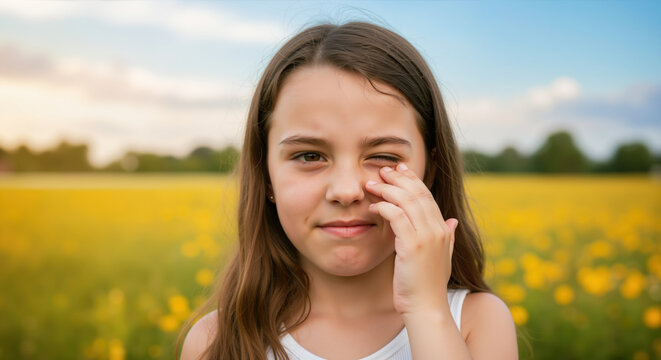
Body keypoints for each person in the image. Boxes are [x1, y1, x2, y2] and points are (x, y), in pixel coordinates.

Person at [180, 21, 518, 360]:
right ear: (266, 175)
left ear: (429, 171)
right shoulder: (214, 342)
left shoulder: (476, 323)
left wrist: (427, 312)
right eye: (309, 156)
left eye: (383, 157)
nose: (345, 191)